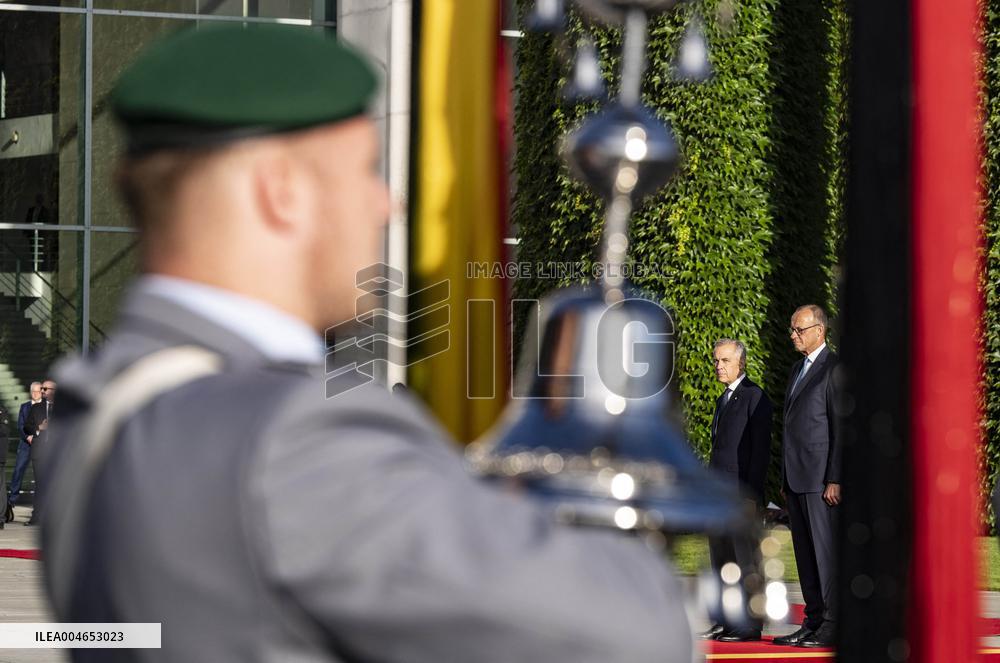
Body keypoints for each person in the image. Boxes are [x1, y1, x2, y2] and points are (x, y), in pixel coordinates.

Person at [38, 24, 692, 662]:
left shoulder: (93, 403)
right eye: (366, 171)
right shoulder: (300, 436)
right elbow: (629, 632)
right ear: (281, 192)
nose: (388, 204)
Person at [774, 305, 841, 648]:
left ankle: (832, 622)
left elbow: (840, 427)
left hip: (821, 482)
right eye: (792, 329)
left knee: (824, 554)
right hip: (797, 478)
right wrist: (785, 478)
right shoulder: (796, 370)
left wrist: (836, 477)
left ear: (820, 330)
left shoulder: (835, 368)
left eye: (799, 329)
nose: (793, 336)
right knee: (804, 554)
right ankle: (813, 619)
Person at [700, 339, 772, 642]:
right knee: (722, 558)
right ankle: (726, 619)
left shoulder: (755, 397)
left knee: (745, 560)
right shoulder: (723, 400)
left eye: (725, 361)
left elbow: (759, 452)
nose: (719, 366)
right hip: (719, 496)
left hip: (740, 495)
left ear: (740, 363)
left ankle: (748, 625)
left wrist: (752, 497)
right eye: (716, 361)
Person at [8, 381, 43, 521]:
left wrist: (37, 436)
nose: (35, 393)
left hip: (40, 445)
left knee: (40, 476)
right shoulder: (24, 407)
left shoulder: (46, 407)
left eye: (37, 391)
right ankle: (11, 501)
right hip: (25, 444)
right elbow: (20, 425)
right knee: (18, 471)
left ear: (41, 392)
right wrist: (28, 436)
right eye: (33, 391)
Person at [23, 379, 55, 526]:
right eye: (41, 389)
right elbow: (26, 427)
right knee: (41, 484)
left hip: (57, 454)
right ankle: (37, 517)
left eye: (45, 389)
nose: (42, 392)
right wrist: (38, 429)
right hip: (40, 452)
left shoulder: (64, 409)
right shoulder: (36, 408)